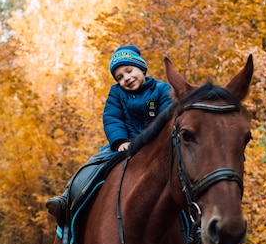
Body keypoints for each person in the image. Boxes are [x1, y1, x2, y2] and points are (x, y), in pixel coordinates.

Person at [46, 45, 173, 225]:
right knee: (92, 166)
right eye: (120, 77)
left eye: (129, 71)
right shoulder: (116, 93)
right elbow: (112, 118)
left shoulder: (161, 90)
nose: (126, 78)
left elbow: (167, 116)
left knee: (182, 172)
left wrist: (154, 142)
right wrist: (119, 141)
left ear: (142, 68)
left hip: (156, 147)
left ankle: (195, 223)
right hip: (124, 145)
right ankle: (67, 200)